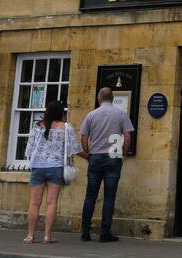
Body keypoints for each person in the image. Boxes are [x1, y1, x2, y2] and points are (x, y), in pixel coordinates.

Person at [79, 86, 134, 242]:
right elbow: (128, 136)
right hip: (113, 156)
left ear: (99, 98)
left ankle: (85, 231)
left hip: (95, 156)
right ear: (112, 98)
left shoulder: (91, 115)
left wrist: (88, 153)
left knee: (90, 195)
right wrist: (123, 153)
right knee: (110, 196)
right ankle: (105, 232)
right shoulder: (121, 114)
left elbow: (83, 137)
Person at [24, 99, 81, 244]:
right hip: (55, 167)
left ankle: (30, 236)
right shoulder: (66, 127)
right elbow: (74, 148)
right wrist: (88, 156)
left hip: (37, 167)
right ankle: (47, 236)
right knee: (51, 203)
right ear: (61, 112)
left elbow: (29, 149)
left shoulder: (37, 127)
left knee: (34, 203)